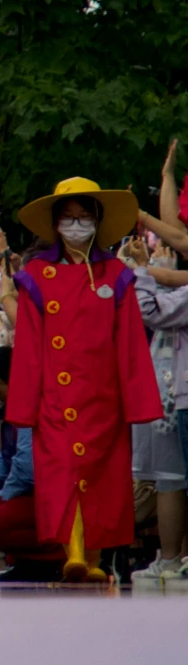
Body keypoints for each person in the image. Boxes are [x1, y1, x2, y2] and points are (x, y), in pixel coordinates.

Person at [7, 175, 164, 581]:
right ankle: (74, 552)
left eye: (84, 216)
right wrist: (25, 405)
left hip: (103, 397)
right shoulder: (37, 276)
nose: (76, 224)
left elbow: (130, 343)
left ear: (96, 220)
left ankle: (91, 560)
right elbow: (27, 348)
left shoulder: (116, 274)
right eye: (69, 217)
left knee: (101, 479)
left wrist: (139, 402)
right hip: (55, 398)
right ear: (56, 222)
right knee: (61, 475)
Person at [131, 231, 188, 588]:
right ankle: (178, 558)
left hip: (178, 395)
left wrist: (141, 270)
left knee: (171, 481)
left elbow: (149, 310)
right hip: (177, 394)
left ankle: (170, 560)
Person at [0, 345, 55, 571]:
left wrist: (4, 496)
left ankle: (59, 555)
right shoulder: (16, 406)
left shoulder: (29, 404)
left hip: (50, 493)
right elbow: (9, 455)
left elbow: (28, 464)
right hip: (37, 492)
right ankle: (25, 561)